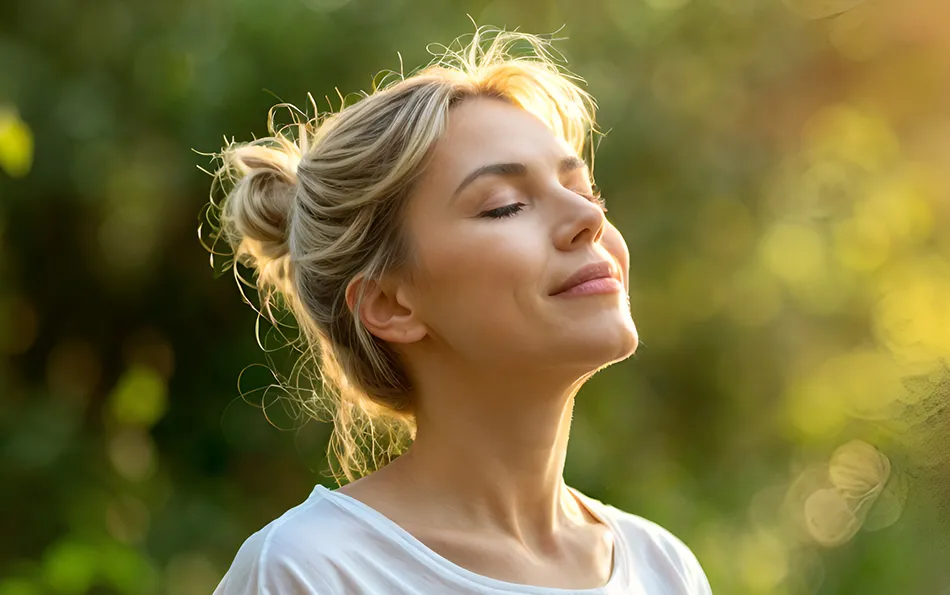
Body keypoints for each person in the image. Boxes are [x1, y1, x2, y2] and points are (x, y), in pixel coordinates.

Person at [205, 26, 712, 595]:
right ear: (391, 303)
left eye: (587, 191)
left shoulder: (665, 570)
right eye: (505, 206)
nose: (588, 219)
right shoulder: (312, 571)